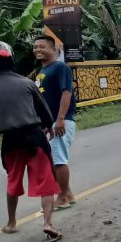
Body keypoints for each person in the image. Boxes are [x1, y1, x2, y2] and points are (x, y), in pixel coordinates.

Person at [0, 41, 63, 242]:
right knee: (46, 181)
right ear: (10, 57)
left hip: (10, 141)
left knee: (13, 181)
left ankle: (11, 223)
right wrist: (47, 127)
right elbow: (46, 114)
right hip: (34, 136)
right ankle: (47, 224)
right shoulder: (26, 83)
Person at [33, 35, 77, 210]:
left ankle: (62, 197)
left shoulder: (60, 67)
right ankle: (69, 194)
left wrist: (60, 119)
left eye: (42, 46)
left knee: (59, 161)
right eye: (35, 47)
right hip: (49, 124)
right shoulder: (42, 72)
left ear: (54, 50)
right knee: (53, 161)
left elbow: (66, 92)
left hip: (61, 121)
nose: (37, 49)